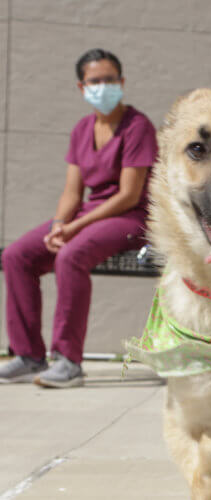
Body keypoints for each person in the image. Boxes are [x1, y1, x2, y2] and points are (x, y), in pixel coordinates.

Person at [0, 49, 158, 388]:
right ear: (81, 87)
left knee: (71, 256)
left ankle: (68, 361)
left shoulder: (138, 126)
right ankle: (28, 356)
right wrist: (59, 224)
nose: (103, 86)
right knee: (16, 256)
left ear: (122, 82)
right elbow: (72, 193)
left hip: (130, 219)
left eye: (110, 79)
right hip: (90, 216)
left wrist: (73, 228)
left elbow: (129, 195)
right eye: (95, 81)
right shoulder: (82, 129)